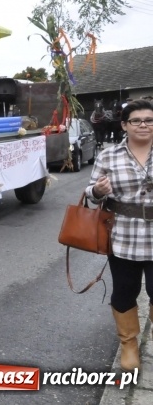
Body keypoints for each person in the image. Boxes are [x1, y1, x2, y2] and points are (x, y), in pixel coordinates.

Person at [86, 98, 153, 371]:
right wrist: (98, 191)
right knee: (126, 290)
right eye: (136, 120)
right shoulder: (108, 156)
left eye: (149, 120)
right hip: (123, 236)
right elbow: (90, 194)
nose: (144, 125)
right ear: (124, 125)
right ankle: (129, 344)